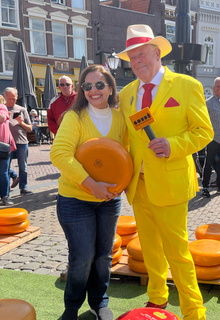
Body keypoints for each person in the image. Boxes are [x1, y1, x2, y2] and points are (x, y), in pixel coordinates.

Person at [117, 24, 213, 320]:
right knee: (150, 249)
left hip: (171, 184)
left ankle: (193, 312)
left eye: (141, 54)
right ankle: (157, 299)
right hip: (138, 185)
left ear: (157, 53)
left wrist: (173, 145)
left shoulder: (186, 85)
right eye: (131, 57)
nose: (136, 61)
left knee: (178, 253)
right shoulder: (126, 94)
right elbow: (124, 139)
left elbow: (204, 132)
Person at [50, 65, 127, 320]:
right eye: (87, 86)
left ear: (110, 87)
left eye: (99, 85)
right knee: (82, 258)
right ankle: (71, 308)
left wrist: (122, 185)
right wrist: (92, 185)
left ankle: (99, 302)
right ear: (82, 90)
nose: (93, 90)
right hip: (76, 200)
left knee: (103, 257)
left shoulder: (120, 119)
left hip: (108, 202)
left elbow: (126, 157)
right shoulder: (75, 117)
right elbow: (59, 154)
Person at [4, 87, 34, 195]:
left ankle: (23, 188)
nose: (11, 100)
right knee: (5, 167)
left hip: (21, 142)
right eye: (9, 98)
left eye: (13, 98)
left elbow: (30, 129)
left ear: (17, 96)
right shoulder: (2, 109)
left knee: (23, 166)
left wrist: (21, 123)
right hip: (6, 143)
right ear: (5, 97)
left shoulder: (22, 109)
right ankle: (6, 191)